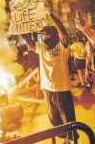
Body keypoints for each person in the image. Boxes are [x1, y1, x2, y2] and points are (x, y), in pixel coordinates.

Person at [28, 12, 79, 144]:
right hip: (47, 88)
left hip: (62, 88)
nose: (44, 37)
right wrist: (16, 25)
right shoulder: (41, 48)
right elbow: (28, 40)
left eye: (46, 34)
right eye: (42, 35)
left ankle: (74, 140)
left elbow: (63, 32)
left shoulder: (62, 47)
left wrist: (51, 16)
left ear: (54, 35)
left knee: (69, 117)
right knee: (53, 117)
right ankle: (64, 140)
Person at [75, 12, 95, 90]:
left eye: (93, 33)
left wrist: (85, 29)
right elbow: (88, 56)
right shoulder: (88, 44)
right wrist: (87, 69)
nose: (90, 36)